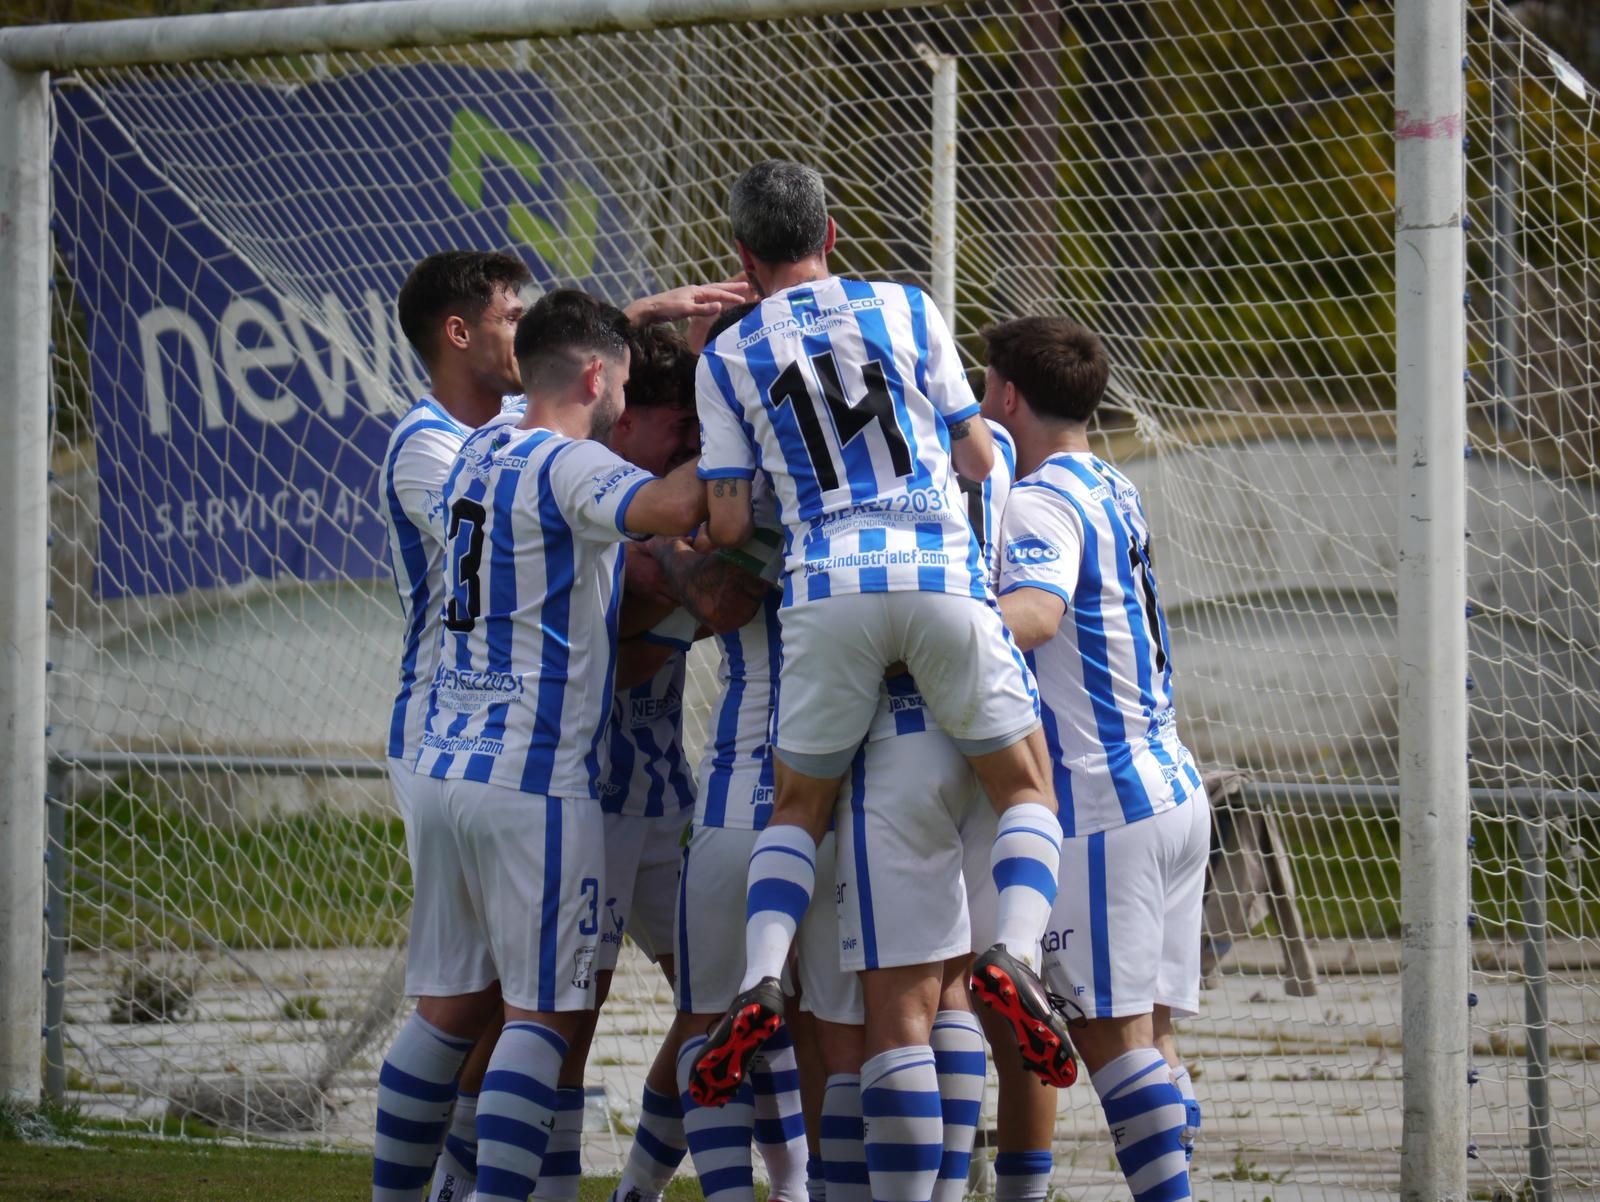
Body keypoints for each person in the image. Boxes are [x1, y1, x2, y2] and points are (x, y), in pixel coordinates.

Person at [689, 160, 1073, 1110]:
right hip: (939, 574)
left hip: (825, 587)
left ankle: (763, 978)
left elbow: (731, 526)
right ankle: (1016, 955)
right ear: (834, 233)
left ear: (741, 255)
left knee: (797, 810)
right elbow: (981, 456)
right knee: (1025, 784)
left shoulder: (727, 356)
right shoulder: (905, 306)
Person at [371, 251, 751, 1202]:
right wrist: (737, 416)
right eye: (620, 377)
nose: (628, 399)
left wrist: (628, 322)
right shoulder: (565, 459)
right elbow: (668, 504)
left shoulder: (476, 447)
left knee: (452, 1008)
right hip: (534, 776)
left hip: (452, 760)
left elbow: (548, 377)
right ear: (596, 380)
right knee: (543, 1019)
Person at [984, 316, 1209, 1202]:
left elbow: (1035, 613)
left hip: (1104, 808)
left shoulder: (1039, 500)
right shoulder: (1112, 481)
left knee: (1113, 1044)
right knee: (1150, 1039)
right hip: (1171, 787)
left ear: (1008, 396)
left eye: (983, 383)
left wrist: (928, 635)